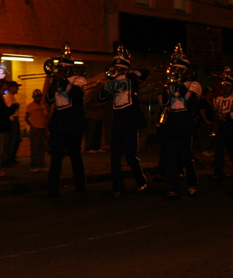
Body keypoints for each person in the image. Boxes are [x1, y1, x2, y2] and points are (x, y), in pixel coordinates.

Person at [98, 44, 150, 197]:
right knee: (115, 157)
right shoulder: (111, 82)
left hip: (131, 121)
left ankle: (141, 181)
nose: (117, 70)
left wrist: (127, 74)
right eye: (116, 68)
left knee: (131, 156)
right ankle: (118, 187)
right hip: (118, 122)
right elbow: (100, 98)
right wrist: (104, 87)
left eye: (119, 68)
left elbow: (144, 73)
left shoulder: (131, 79)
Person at [158, 44, 200, 200]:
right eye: (175, 70)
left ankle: (192, 183)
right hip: (171, 121)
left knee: (185, 157)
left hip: (185, 120)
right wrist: (167, 89)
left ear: (185, 71)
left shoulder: (193, 84)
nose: (177, 73)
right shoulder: (169, 85)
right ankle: (174, 188)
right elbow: (163, 103)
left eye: (180, 71)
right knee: (171, 157)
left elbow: (191, 101)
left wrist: (179, 85)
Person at [46, 43, 87, 198]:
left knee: (75, 156)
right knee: (56, 158)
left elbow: (78, 95)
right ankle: (52, 188)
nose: (60, 71)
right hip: (58, 125)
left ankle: (80, 185)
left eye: (63, 68)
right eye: (59, 68)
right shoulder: (55, 81)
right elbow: (49, 100)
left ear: (69, 69)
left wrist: (62, 81)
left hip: (74, 125)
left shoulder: (79, 79)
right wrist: (52, 86)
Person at [211, 68, 233, 181]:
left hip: (231, 127)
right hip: (220, 127)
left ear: (231, 87)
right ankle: (218, 172)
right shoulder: (217, 99)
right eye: (223, 86)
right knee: (218, 152)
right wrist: (215, 116)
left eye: (227, 86)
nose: (224, 88)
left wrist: (227, 116)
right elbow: (214, 112)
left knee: (232, 150)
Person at [0, 80, 16, 177]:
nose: (4, 90)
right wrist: (13, 107)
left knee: (0, 149)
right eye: (3, 88)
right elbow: (4, 112)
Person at [25, 88, 49, 172]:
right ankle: (33, 165)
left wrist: (46, 129)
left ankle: (41, 164)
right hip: (35, 128)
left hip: (42, 128)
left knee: (42, 147)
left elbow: (45, 117)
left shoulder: (42, 105)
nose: (39, 98)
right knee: (35, 148)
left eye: (40, 96)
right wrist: (33, 127)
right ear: (34, 97)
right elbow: (26, 118)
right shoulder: (30, 106)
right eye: (37, 97)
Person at [84, 82, 106, 152]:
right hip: (92, 116)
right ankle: (89, 147)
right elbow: (87, 104)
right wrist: (99, 105)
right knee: (91, 132)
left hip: (99, 116)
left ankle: (97, 147)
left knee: (98, 133)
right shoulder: (91, 94)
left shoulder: (101, 95)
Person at [4, 81, 22, 165]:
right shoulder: (7, 97)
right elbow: (8, 110)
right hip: (12, 121)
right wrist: (12, 118)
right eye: (16, 87)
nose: (17, 89)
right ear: (11, 87)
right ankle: (9, 157)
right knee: (12, 139)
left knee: (16, 139)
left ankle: (12, 156)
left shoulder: (12, 97)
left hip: (15, 120)